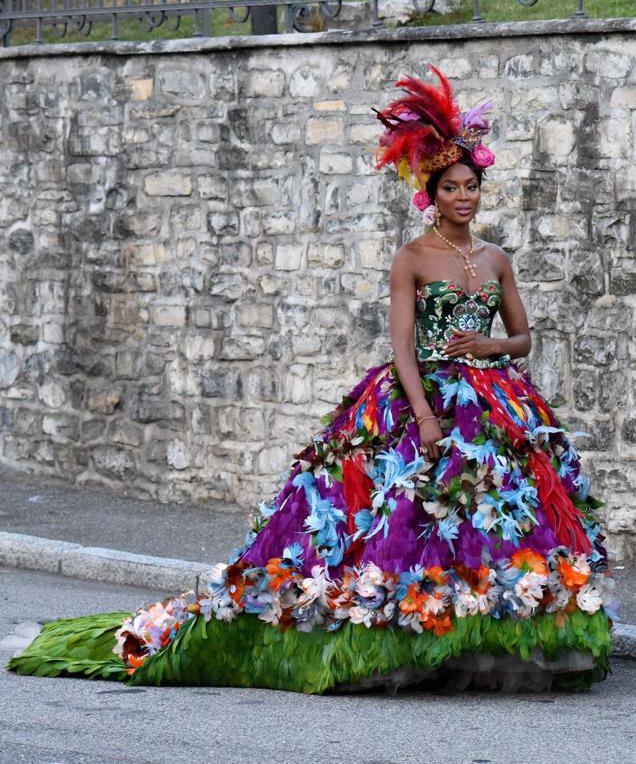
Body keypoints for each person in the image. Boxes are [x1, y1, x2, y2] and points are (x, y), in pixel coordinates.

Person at [8, 65, 616, 693]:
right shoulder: (411, 258)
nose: (464, 197)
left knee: (493, 524)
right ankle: (398, 641)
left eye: (472, 187)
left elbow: (523, 338)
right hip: (419, 401)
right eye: (452, 188)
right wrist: (426, 417)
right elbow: (402, 348)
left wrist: (491, 343)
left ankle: (482, 638)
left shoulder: (496, 259)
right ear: (429, 195)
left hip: (494, 403)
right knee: (404, 521)